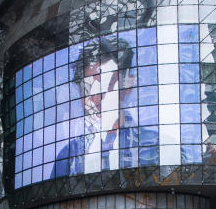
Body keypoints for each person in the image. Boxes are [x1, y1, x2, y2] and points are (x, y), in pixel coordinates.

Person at [52, 36, 159, 178]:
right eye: (87, 88)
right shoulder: (67, 157)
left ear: (127, 84)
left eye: (106, 84)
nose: (96, 98)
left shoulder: (155, 148)